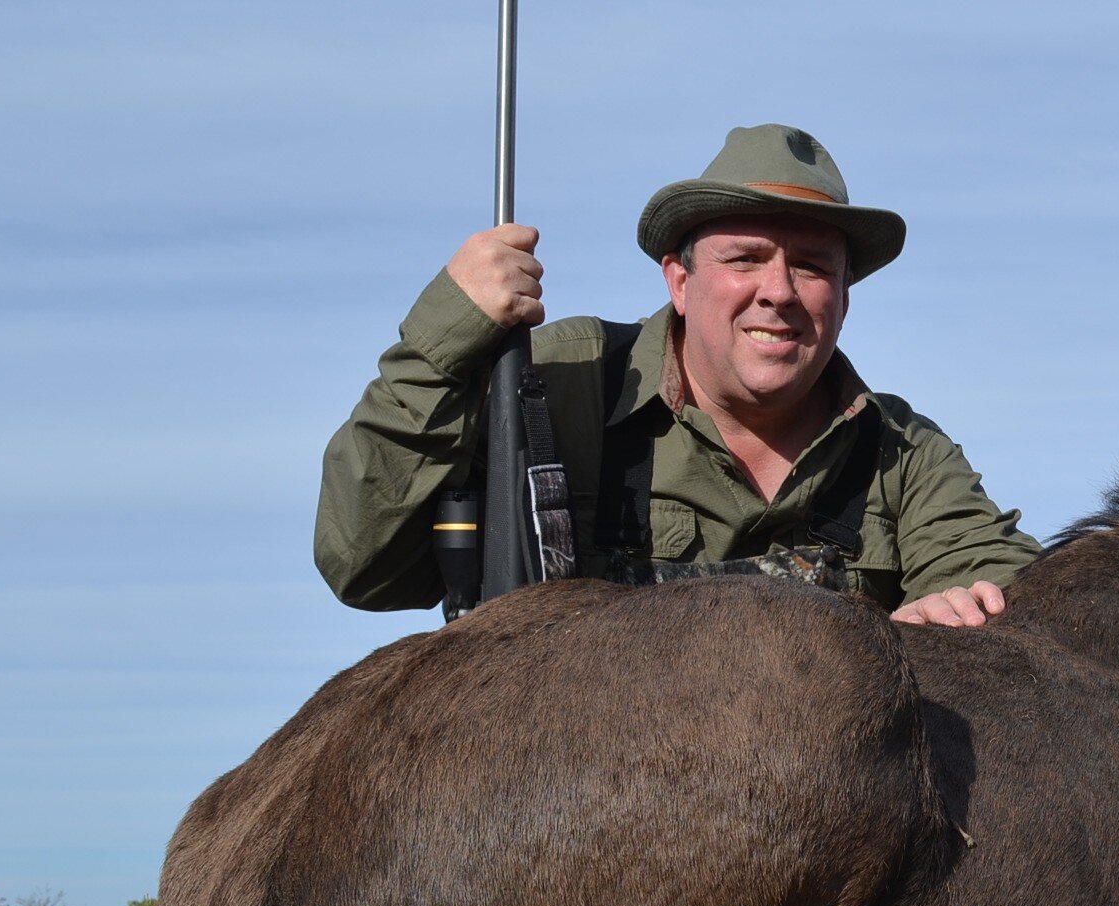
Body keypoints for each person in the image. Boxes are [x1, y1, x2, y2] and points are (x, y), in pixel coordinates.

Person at [316, 124, 1039, 624]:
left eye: (814, 266)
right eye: (745, 258)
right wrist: (445, 340)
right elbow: (363, 563)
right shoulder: (558, 388)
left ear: (845, 297)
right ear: (680, 282)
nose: (780, 291)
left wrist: (958, 617)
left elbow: (1015, 595)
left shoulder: (902, 453)